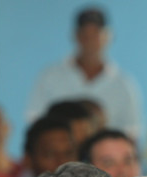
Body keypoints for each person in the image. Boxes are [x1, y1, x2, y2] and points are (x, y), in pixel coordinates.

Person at [26, 7, 141, 140]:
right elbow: (36, 122)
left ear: (108, 36)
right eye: (85, 34)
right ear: (75, 36)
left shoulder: (124, 84)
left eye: (96, 34)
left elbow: (131, 132)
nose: (90, 40)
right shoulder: (50, 77)